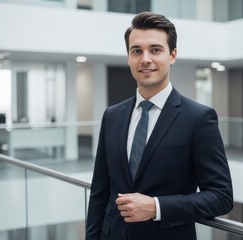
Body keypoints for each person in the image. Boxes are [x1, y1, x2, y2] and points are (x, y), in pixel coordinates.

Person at [86, 12, 233, 240]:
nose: (145, 59)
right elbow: (99, 193)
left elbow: (221, 196)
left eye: (155, 50)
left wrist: (156, 207)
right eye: (136, 51)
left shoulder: (198, 118)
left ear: (172, 55)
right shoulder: (112, 116)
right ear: (128, 58)